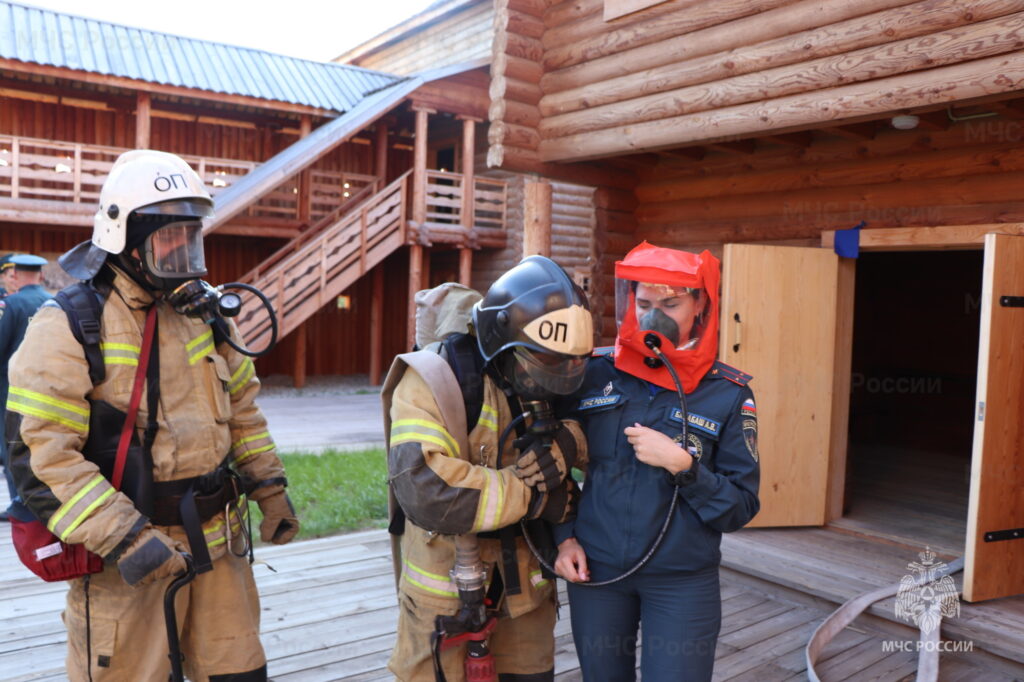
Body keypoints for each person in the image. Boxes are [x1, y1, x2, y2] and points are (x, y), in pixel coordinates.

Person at [6, 149, 298, 681]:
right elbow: (38, 452)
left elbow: (243, 413)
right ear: (126, 238)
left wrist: (269, 488)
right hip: (128, 560)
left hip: (218, 549)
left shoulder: (204, 318)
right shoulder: (70, 323)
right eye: (170, 238)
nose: (185, 252)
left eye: (192, 236)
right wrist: (127, 538)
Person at [553, 242, 760, 682]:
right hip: (598, 573)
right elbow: (549, 463)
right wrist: (563, 538)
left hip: (681, 581)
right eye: (644, 303)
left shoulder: (728, 392)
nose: (655, 317)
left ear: (701, 304)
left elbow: (740, 507)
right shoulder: (595, 373)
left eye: (671, 303)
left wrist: (685, 467)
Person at [386, 255, 592, 681]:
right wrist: (536, 496)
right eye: (541, 364)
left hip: (526, 599)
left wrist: (570, 442)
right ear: (501, 340)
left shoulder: (551, 364)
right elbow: (429, 491)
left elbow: (604, 426)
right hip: (444, 604)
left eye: (563, 366)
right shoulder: (434, 377)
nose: (550, 382)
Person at [0, 253, 50, 523]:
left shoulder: (11, 304)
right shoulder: (54, 302)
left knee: (12, 450)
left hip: (11, 393)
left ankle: (20, 505)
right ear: (40, 276)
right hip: (48, 392)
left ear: (15, 275)